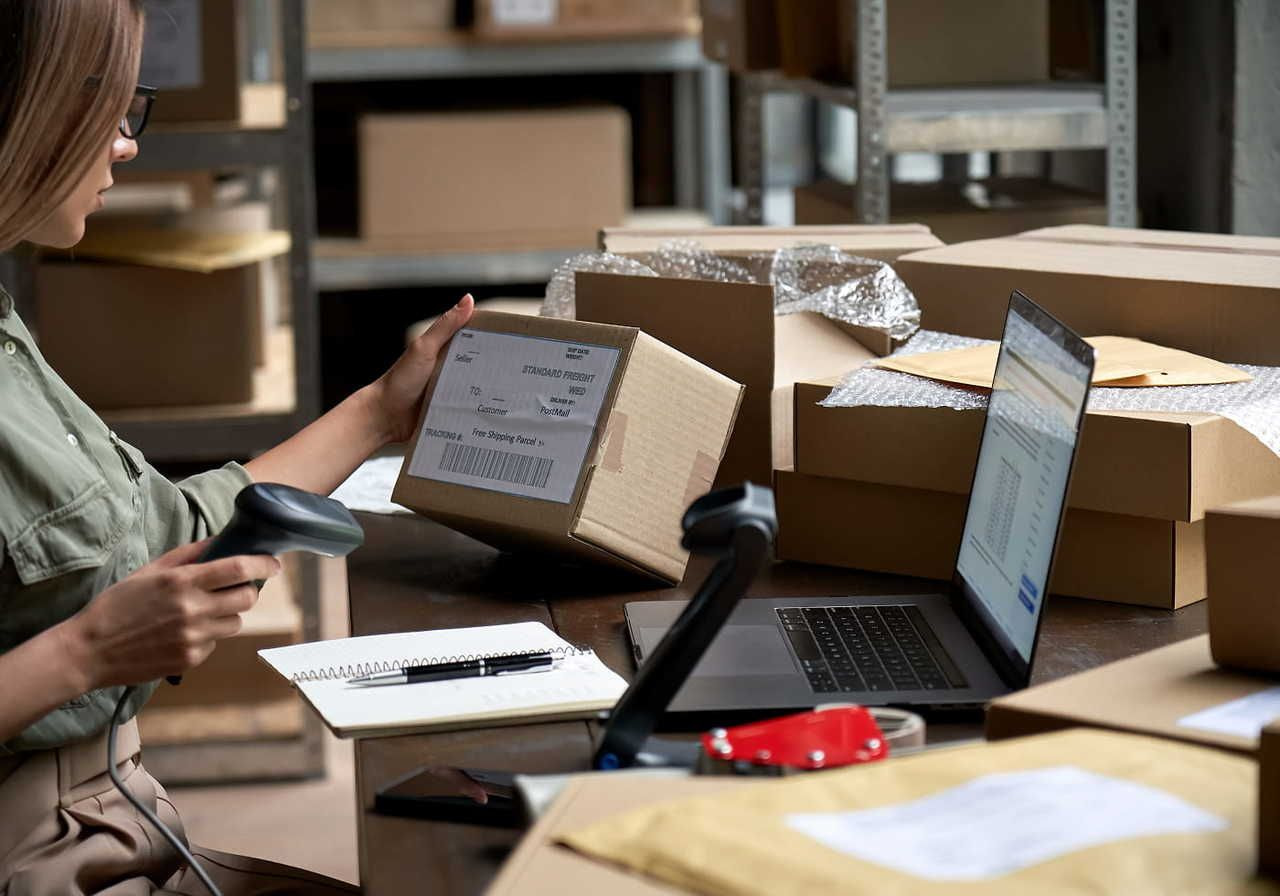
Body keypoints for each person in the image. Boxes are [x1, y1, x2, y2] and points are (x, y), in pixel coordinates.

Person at [0, 2, 476, 892]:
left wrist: (383, 410)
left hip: (116, 819)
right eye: (104, 103)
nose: (126, 141)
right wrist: (85, 653)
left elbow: (166, 524)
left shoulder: (5, 329)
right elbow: (94, 622)